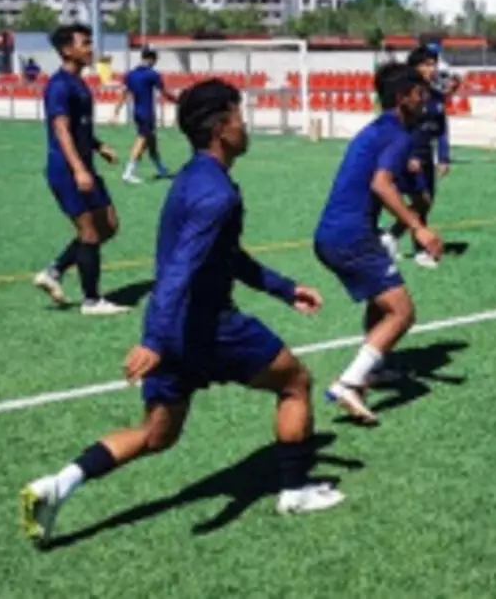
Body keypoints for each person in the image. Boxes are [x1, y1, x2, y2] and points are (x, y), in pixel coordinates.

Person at [19, 80, 341, 547]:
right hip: (209, 328)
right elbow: (179, 270)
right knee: (295, 382)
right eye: (239, 116)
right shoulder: (217, 195)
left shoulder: (193, 178)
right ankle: (294, 492)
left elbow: (223, 255)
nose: (245, 125)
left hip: (174, 332)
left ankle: (57, 486)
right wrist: (153, 340)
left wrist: (284, 289)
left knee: (156, 435)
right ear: (220, 129)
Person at [314, 63, 442, 425]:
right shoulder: (397, 135)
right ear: (402, 98)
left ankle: (373, 367)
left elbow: (396, 182)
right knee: (402, 312)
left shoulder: (380, 131)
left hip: (336, 233)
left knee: (380, 301)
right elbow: (381, 184)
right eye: (419, 94)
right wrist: (418, 228)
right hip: (351, 235)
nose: (424, 101)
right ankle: (349, 383)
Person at [32, 24, 129, 315]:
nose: (90, 49)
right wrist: (78, 170)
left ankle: (54, 271)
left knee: (108, 225)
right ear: (67, 50)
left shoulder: (79, 83)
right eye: (84, 43)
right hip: (66, 169)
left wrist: (98, 146)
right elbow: (61, 130)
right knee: (89, 231)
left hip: (83, 164)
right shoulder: (59, 85)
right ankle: (91, 300)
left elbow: (78, 128)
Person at [381, 47, 449, 269]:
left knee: (425, 203)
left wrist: (444, 156)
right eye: (426, 64)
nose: (432, 68)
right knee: (421, 200)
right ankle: (419, 250)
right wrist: (408, 155)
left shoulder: (436, 94)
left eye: (433, 64)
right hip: (409, 156)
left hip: (426, 155)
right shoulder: (406, 95)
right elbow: (400, 126)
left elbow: (442, 128)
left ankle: (391, 236)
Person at [114, 48, 177, 183]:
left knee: (151, 139)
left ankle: (160, 168)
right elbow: (164, 92)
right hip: (147, 112)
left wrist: (116, 111)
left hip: (137, 112)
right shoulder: (152, 74)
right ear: (151, 59)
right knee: (142, 140)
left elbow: (124, 93)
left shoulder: (130, 74)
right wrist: (178, 100)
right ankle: (128, 172)